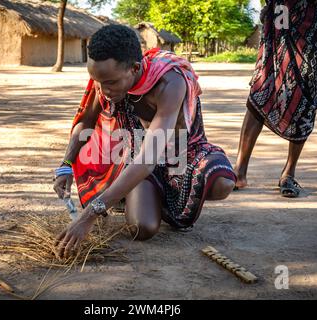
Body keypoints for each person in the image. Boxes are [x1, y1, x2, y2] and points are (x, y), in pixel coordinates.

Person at [53, 25, 236, 258]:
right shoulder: (104, 80)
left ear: (135, 68)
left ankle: (137, 194)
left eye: (110, 83)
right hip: (136, 154)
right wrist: (66, 165)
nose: (102, 90)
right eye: (97, 81)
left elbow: (149, 159)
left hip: (182, 151)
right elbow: (86, 121)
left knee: (222, 183)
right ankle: (132, 192)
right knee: (143, 228)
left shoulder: (170, 83)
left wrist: (90, 214)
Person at [234, 0, 317, 197]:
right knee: (264, 83)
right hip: (284, 9)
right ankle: (239, 171)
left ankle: (288, 173)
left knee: (308, 93)